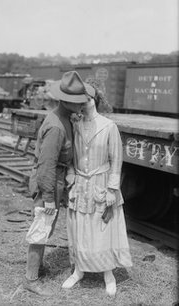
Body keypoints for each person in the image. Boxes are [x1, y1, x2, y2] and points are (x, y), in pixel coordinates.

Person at [24, 71, 95, 296]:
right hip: (49, 181)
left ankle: (38, 266)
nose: (82, 105)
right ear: (66, 101)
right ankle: (30, 278)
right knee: (41, 227)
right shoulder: (56, 127)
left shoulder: (65, 118)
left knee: (46, 227)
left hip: (55, 180)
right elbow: (46, 165)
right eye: (78, 102)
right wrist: (48, 198)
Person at [62, 91, 132, 296]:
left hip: (101, 183)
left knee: (102, 227)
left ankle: (108, 274)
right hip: (80, 184)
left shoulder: (109, 126)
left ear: (96, 101)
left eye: (89, 99)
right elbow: (70, 156)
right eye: (81, 100)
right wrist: (70, 174)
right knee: (80, 228)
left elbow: (116, 160)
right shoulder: (75, 125)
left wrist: (112, 189)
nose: (85, 103)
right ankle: (78, 271)